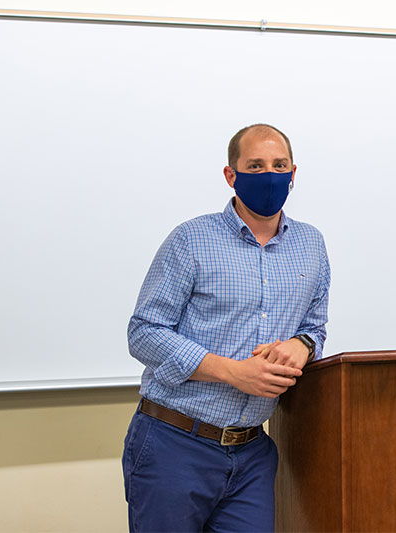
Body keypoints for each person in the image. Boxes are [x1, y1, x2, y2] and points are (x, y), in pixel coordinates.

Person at [122, 124, 330, 532]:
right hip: (174, 443)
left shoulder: (312, 245)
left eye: (278, 165)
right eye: (255, 165)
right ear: (231, 176)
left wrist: (302, 346)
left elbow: (314, 328)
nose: (269, 174)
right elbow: (144, 331)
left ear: (293, 173)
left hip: (253, 453)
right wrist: (234, 372)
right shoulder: (191, 240)